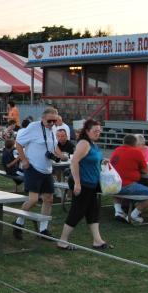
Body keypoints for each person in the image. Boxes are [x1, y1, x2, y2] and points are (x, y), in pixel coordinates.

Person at [57, 119, 111, 250]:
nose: (98, 133)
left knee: (93, 211)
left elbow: (91, 160)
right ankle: (62, 241)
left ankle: (97, 240)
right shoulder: (84, 143)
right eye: (95, 131)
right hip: (83, 183)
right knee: (77, 211)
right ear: (87, 131)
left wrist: (103, 161)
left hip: (92, 183)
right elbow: (74, 162)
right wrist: (77, 183)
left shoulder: (93, 144)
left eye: (99, 131)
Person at [13, 107, 61, 239]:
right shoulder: (33, 127)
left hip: (47, 169)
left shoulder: (53, 129)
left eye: (54, 121)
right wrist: (24, 160)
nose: (52, 124)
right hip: (33, 168)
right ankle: (19, 222)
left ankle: (43, 230)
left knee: (49, 199)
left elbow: (53, 145)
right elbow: (18, 143)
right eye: (49, 121)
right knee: (33, 200)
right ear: (43, 118)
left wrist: (60, 154)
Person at [110, 134, 148, 223]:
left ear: (123, 142)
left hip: (113, 184)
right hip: (126, 185)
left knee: (117, 188)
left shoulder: (117, 150)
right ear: (135, 143)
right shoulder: (136, 152)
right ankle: (133, 215)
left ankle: (119, 211)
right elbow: (146, 171)